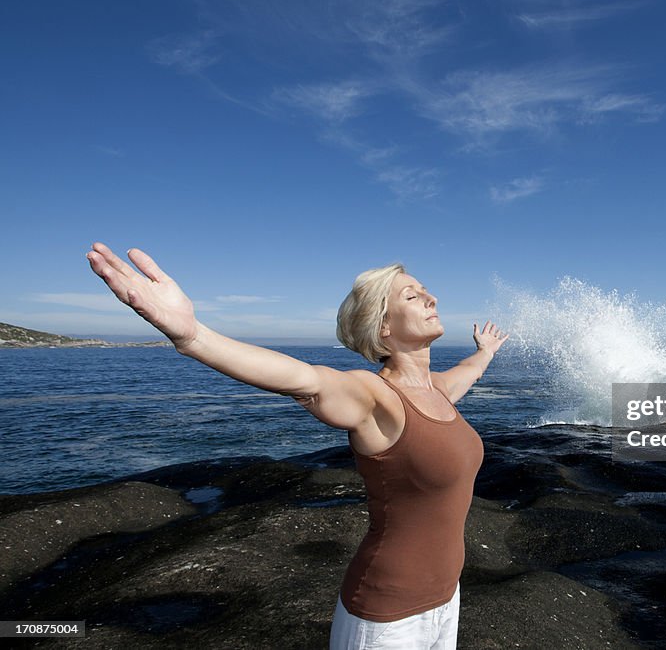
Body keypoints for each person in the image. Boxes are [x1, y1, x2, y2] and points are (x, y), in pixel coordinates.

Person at [85, 242, 510, 649]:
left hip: (445, 602)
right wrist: (193, 336)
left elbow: (465, 373)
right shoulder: (374, 397)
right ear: (383, 326)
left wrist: (485, 352)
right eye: (412, 296)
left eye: (425, 290)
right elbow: (304, 379)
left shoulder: (436, 392)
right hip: (387, 616)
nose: (431, 298)